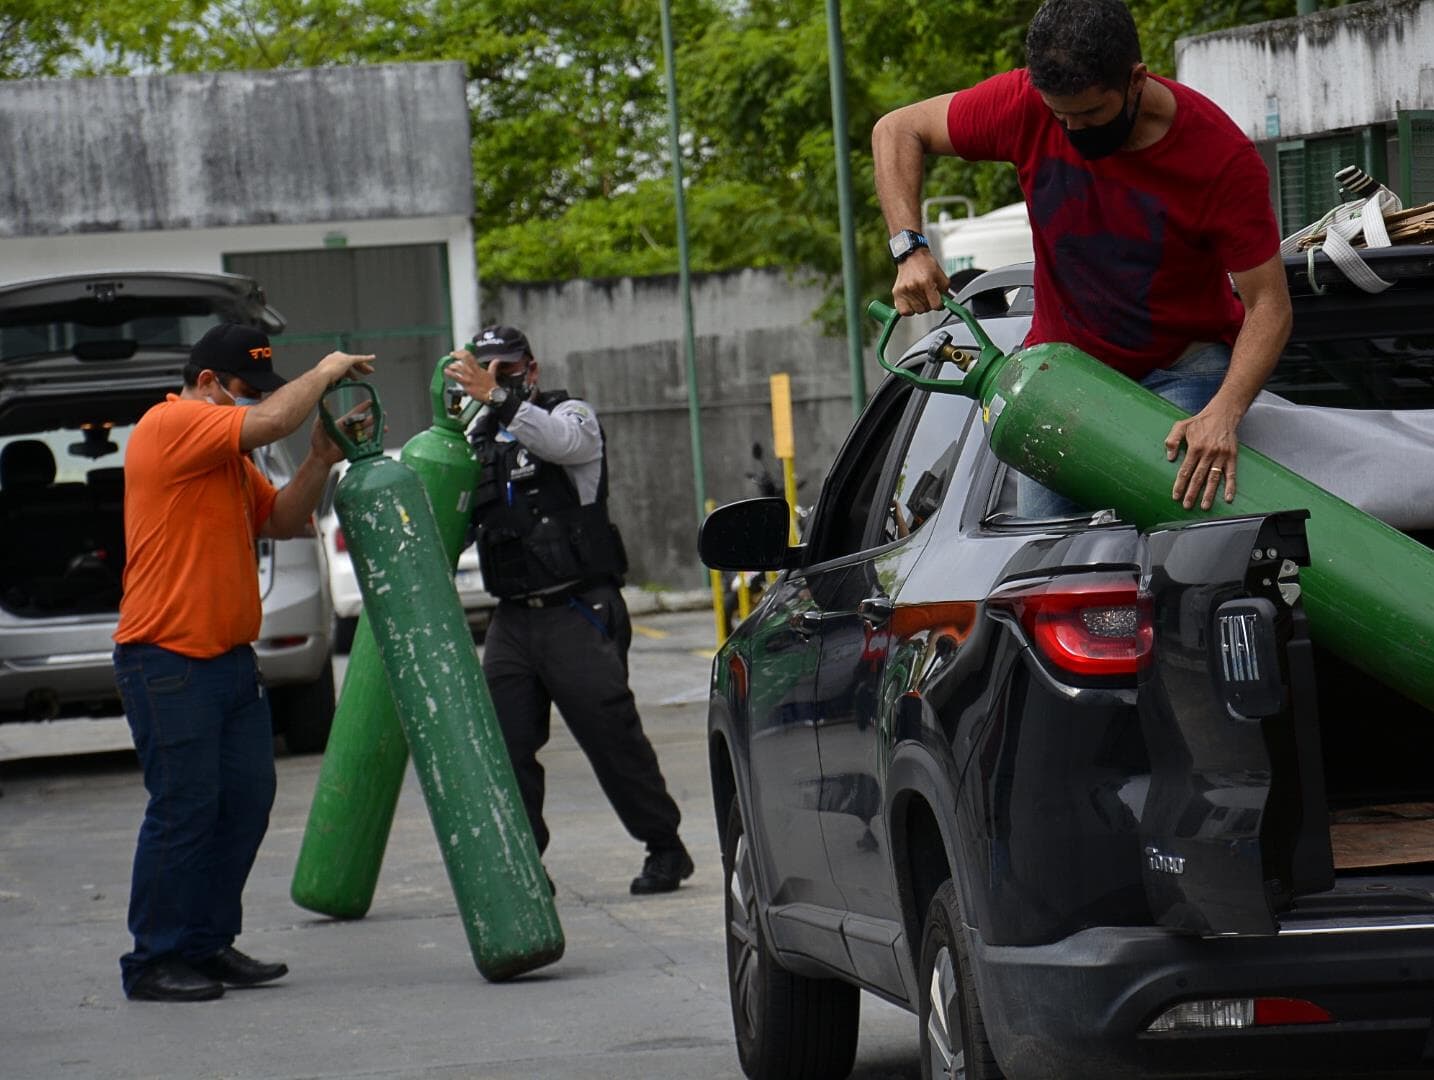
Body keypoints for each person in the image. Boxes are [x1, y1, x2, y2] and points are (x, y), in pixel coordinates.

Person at [872, 0, 1292, 516]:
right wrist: (909, 248)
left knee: (1180, 545)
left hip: (1180, 370)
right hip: (1063, 377)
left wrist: (1223, 413)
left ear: (1135, 80)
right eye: (1059, 114)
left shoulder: (1219, 159)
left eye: (1091, 113)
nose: (1071, 129)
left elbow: (1269, 306)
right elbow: (896, 129)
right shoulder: (1023, 104)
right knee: (1049, 564)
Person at [113, 323, 373, 1002]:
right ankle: (153, 959)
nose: (253, 404)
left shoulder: (225, 458)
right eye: (242, 391)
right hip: (168, 659)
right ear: (205, 383)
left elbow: (285, 519)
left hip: (228, 662)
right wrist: (327, 369)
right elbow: (270, 420)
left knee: (246, 804)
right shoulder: (168, 425)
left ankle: (205, 944)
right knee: (184, 809)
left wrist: (318, 456)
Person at [443, 325, 694, 895]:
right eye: (484, 371)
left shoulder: (568, 415)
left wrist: (498, 399)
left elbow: (564, 445)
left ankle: (665, 846)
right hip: (513, 618)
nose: (493, 381)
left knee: (612, 738)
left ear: (529, 369)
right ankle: (527, 867)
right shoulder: (476, 439)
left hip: (577, 608)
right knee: (505, 745)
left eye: (504, 370)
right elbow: (455, 522)